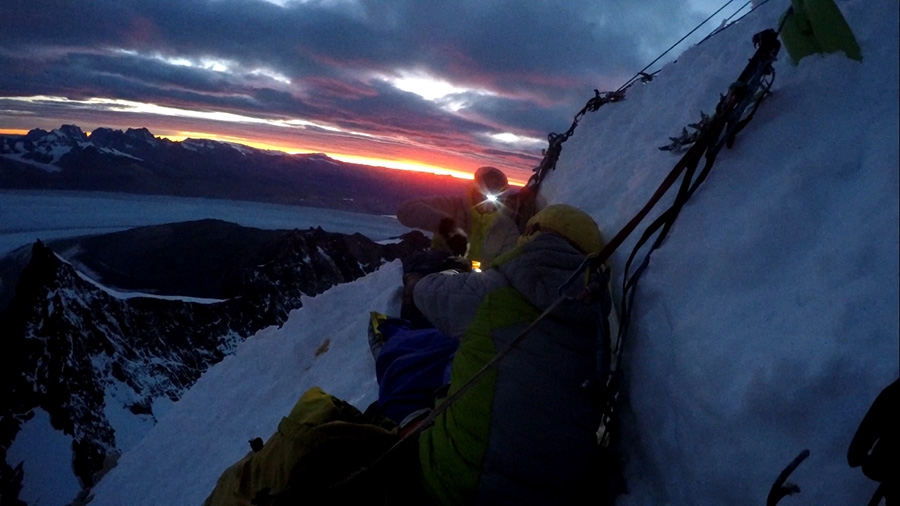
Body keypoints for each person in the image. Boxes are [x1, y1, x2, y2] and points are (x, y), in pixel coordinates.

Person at [409, 203, 607, 506]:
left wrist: (454, 270)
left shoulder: (497, 289)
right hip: (556, 497)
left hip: (461, 486)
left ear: (533, 234)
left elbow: (425, 291)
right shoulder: (597, 320)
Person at [396, 166, 535, 268]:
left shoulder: (507, 228)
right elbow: (406, 210)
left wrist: (472, 265)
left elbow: (504, 266)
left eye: (496, 192)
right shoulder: (454, 206)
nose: (489, 198)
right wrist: (447, 226)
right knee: (415, 281)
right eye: (486, 190)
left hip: (476, 283)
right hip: (440, 269)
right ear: (476, 187)